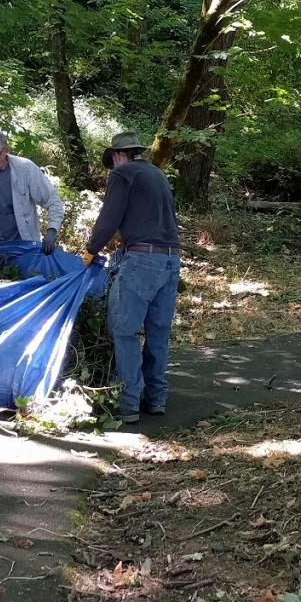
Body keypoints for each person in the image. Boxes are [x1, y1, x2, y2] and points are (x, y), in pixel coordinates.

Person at [81, 132, 180, 424]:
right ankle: (157, 398)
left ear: (117, 155)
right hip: (171, 258)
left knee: (123, 330)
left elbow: (109, 219)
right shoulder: (157, 174)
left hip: (141, 261)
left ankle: (128, 403)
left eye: (111, 161)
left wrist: (89, 252)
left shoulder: (122, 174)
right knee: (158, 332)